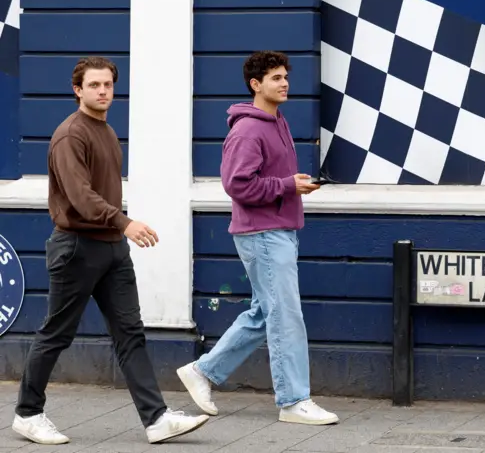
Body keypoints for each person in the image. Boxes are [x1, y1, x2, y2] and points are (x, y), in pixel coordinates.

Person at [12, 56, 209, 445]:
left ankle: (156, 420)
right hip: (77, 249)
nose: (103, 91)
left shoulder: (105, 130)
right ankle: (27, 413)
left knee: (130, 333)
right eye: (94, 85)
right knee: (57, 333)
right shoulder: (71, 135)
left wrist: (119, 232)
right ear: (77, 90)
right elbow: (82, 199)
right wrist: (125, 223)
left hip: (112, 249)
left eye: (108, 85)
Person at [177, 51, 339, 426]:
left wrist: (294, 185)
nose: (284, 83)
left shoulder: (275, 120)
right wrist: (287, 185)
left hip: (277, 229)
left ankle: (203, 371)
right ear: (256, 84)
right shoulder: (248, 129)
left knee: (264, 312)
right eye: (276, 78)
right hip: (263, 233)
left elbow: (263, 178)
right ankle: (294, 400)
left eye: (285, 77)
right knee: (286, 315)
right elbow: (236, 184)